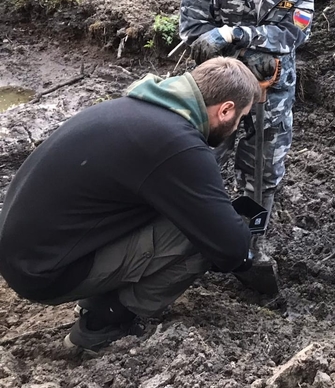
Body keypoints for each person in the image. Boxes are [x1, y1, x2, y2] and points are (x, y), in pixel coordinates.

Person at [0, 58, 261, 352]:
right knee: (200, 239)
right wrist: (246, 253)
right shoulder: (177, 143)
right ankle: (102, 322)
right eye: (241, 118)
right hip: (42, 272)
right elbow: (228, 246)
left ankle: (97, 293)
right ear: (225, 110)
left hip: (24, 250)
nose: (238, 126)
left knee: (180, 214)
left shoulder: (138, 108)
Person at [179, 0, 317, 221]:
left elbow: (294, 35)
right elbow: (193, 30)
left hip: (272, 89)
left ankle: (251, 241)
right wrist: (242, 57)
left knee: (264, 171)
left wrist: (234, 34)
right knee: (200, 161)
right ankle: (196, 234)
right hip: (216, 89)